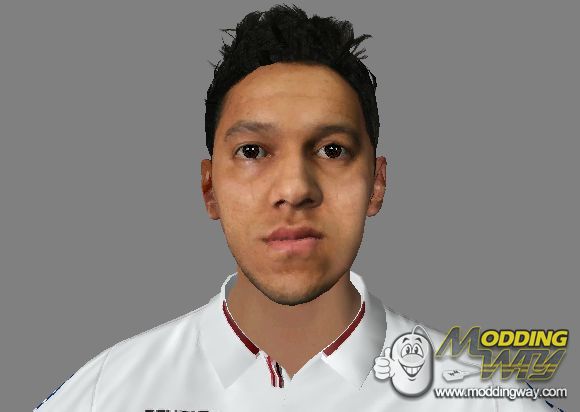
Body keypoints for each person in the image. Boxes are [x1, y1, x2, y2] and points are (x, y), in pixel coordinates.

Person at [34, 5, 550, 411]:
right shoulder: (105, 394)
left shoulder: (489, 400)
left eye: (332, 150)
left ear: (377, 184)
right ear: (209, 188)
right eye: (253, 151)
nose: (295, 188)